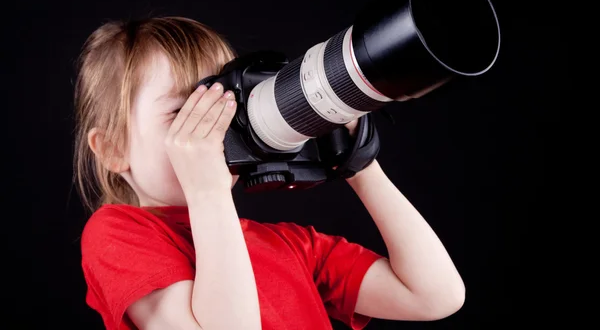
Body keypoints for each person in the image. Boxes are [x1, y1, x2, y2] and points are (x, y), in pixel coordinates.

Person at [74, 16, 465, 330]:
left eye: (228, 103)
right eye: (184, 114)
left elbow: (434, 295)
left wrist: (360, 166)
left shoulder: (291, 246)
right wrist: (209, 192)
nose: (217, 127)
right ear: (112, 149)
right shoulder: (118, 234)